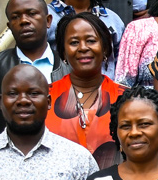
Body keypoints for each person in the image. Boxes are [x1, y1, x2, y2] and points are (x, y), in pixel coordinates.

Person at [0, 0, 69, 147]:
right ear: (9, 26)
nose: (24, 21)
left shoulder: (69, 67)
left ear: (48, 20)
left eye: (32, 14)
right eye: (15, 17)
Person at [47, 13, 125, 169]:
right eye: (74, 42)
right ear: (63, 52)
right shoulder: (44, 98)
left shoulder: (128, 98)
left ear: (105, 48)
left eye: (91, 41)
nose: (83, 48)